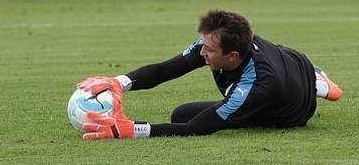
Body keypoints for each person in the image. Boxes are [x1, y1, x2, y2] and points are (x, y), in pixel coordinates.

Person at [76, 9, 342, 138]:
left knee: (193, 119)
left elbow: (197, 128)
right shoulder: (219, 43)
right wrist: (118, 82)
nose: (202, 52)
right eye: (202, 43)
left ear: (232, 56)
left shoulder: (258, 85)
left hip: (290, 110)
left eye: (210, 49)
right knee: (179, 113)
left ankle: (316, 83)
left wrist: (131, 130)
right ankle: (312, 78)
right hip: (288, 60)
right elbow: (163, 71)